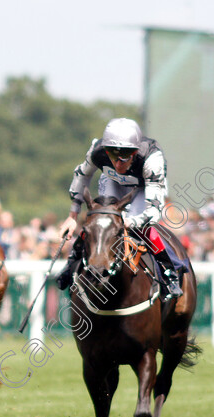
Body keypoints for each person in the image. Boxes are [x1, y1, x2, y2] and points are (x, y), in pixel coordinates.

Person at [56, 117, 183, 300]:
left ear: (135, 152)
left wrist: (129, 221)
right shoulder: (97, 151)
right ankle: (71, 264)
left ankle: (169, 272)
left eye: (124, 158)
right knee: (101, 222)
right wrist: (72, 216)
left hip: (142, 189)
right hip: (112, 182)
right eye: (112, 156)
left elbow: (153, 212)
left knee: (143, 228)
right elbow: (81, 176)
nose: (117, 164)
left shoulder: (152, 158)